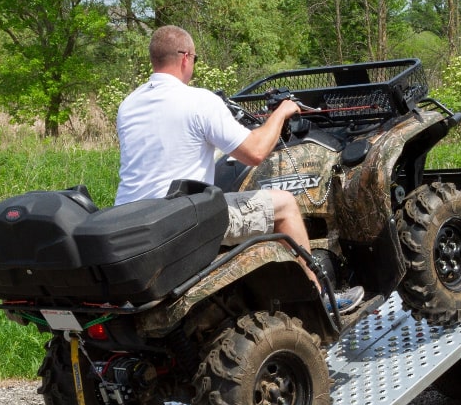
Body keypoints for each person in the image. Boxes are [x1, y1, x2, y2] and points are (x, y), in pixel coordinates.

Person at [115, 25, 364, 314]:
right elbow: (256, 152)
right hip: (182, 222)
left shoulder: (128, 105)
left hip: (133, 221)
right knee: (284, 204)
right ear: (185, 58)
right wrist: (281, 113)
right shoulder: (199, 101)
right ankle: (322, 297)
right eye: (195, 59)